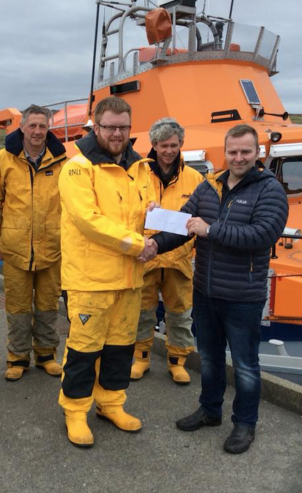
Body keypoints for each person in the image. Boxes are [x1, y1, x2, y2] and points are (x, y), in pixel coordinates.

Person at [146, 124, 288, 454]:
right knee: (209, 359)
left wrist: (210, 229)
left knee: (245, 365)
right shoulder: (209, 187)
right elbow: (183, 224)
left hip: (243, 296)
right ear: (224, 153)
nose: (238, 158)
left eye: (245, 152)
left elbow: (262, 236)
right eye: (233, 151)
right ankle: (210, 410)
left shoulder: (270, 190)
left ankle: (244, 424)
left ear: (257, 154)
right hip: (206, 291)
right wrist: (153, 237)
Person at [57, 96, 157, 448]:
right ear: (95, 127)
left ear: (131, 129)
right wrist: (136, 243)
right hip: (91, 280)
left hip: (129, 278)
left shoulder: (141, 168)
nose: (117, 134)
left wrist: (153, 224)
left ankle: (111, 404)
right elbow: (89, 220)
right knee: (83, 351)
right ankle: (75, 410)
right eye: (110, 127)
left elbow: (144, 213)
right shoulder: (77, 168)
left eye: (123, 127)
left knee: (119, 349)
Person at [0, 105, 67, 381]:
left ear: (48, 129)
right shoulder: (3, 158)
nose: (36, 131)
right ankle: (17, 357)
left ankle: (46, 354)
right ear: (22, 127)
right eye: (32, 125)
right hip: (15, 248)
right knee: (18, 307)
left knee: (48, 305)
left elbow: (71, 203)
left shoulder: (62, 161)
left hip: (52, 247)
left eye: (42, 126)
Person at [130, 118, 203, 384]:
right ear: (154, 145)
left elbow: (201, 216)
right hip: (145, 256)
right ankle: (141, 358)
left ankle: (177, 362)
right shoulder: (137, 174)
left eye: (173, 145)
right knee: (141, 311)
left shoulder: (195, 178)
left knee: (180, 313)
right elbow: (125, 209)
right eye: (163, 145)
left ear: (181, 144)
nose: (168, 150)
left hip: (179, 259)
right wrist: (143, 211)